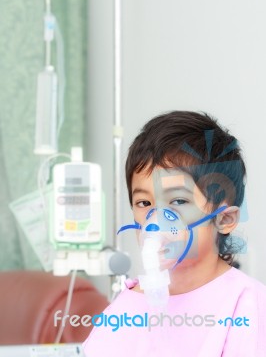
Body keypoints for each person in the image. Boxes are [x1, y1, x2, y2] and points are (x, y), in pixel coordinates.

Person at [83, 111, 266, 357]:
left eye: (178, 201)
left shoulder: (245, 305)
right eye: (144, 203)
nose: (156, 220)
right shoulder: (128, 304)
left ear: (224, 219)